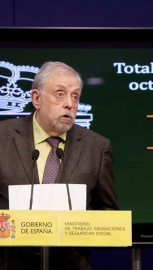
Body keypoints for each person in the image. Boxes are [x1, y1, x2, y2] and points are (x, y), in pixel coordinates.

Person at [0, 61, 119, 269]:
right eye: (60, 94)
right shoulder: (3, 138)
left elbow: (108, 212)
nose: (70, 104)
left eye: (75, 96)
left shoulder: (97, 147)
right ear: (36, 98)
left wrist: (77, 226)